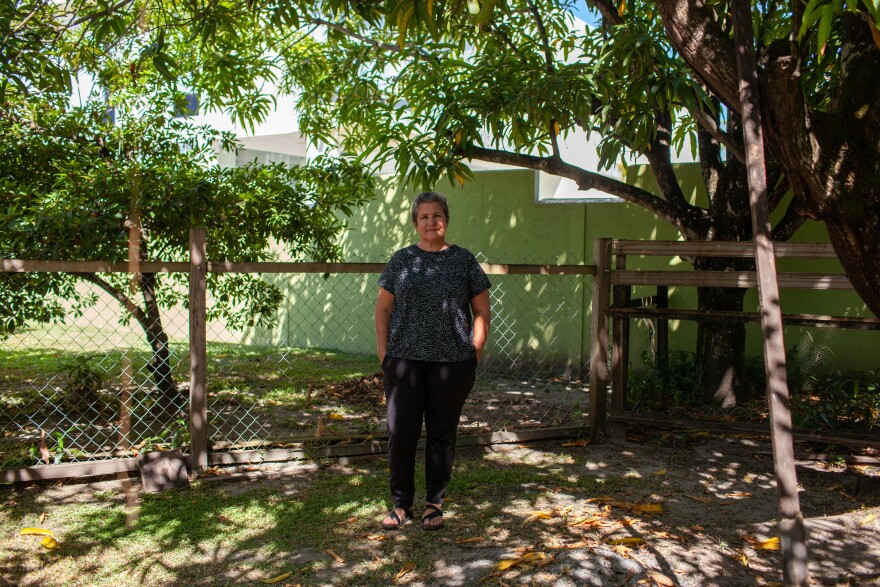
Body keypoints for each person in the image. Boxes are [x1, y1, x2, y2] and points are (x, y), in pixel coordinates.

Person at [375, 191, 491, 531]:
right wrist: (385, 354)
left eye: (436, 215)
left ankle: (433, 504)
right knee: (401, 432)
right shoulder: (401, 260)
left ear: (446, 220)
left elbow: (481, 310)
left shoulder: (464, 261)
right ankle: (401, 504)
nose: (431, 222)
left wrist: (474, 352)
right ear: (415, 223)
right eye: (424, 217)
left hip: (452, 364)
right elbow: (382, 308)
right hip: (404, 362)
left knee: (442, 434)